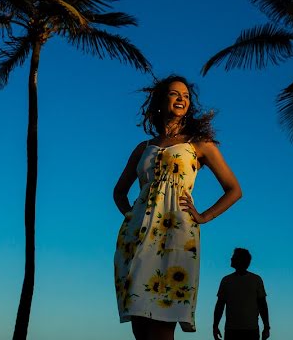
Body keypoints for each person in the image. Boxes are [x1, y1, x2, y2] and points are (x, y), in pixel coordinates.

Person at [114, 75, 243, 340]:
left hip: (177, 235)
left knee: (163, 321)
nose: (182, 98)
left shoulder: (199, 144)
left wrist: (204, 216)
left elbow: (234, 189)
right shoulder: (143, 147)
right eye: (174, 94)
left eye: (185, 95)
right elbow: (119, 192)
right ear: (161, 101)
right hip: (136, 238)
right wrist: (132, 216)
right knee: (139, 318)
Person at [213, 248, 270, 340]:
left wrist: (266, 327)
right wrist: (215, 326)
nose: (231, 259)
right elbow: (220, 305)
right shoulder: (226, 281)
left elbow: (262, 305)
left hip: (250, 330)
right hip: (232, 330)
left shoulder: (256, 280)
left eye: (234, 257)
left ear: (241, 260)